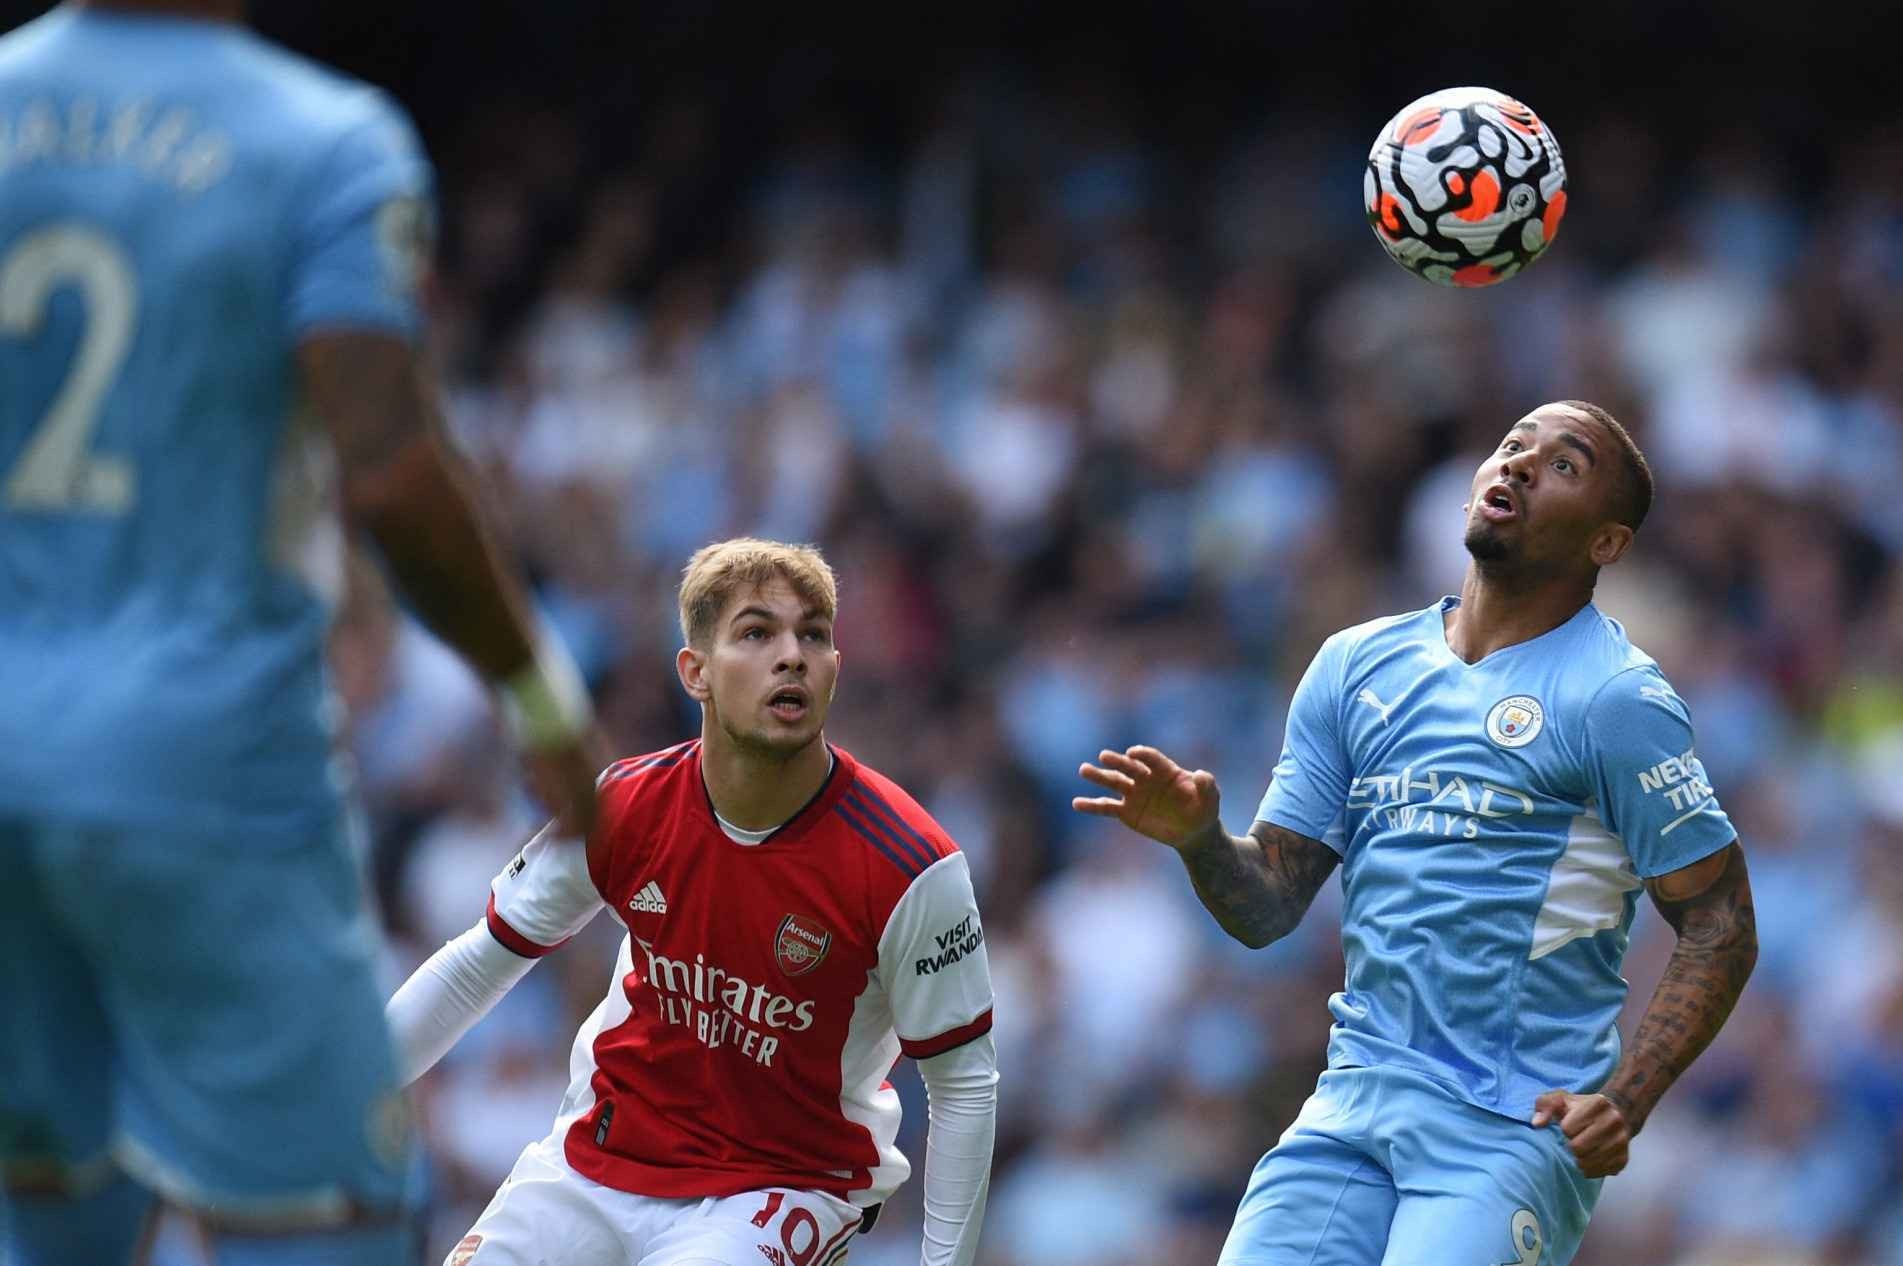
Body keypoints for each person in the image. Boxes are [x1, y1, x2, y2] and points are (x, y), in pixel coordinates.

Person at [0, 3, 600, 1264]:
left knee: (56, 1208)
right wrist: (536, 694)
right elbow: (386, 470)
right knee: (329, 1219)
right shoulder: (324, 143)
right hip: (203, 769)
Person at [1076, 401, 1758, 1266]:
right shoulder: (1356, 665)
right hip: (1349, 1107)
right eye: (1512, 445)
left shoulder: (1616, 701)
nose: (1515, 464)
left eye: (1562, 465)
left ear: (1606, 544)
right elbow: (1267, 909)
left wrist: (1625, 1099)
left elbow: (1720, 925)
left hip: (1506, 1128)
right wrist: (1200, 840)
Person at [385, 538, 998, 1266]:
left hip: (782, 1187)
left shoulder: (909, 864)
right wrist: (337, 1100)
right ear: (695, 672)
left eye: (814, 635)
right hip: (598, 1157)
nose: (792, 655)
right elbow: (477, 964)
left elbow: (962, 1084)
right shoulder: (623, 806)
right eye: (756, 633)